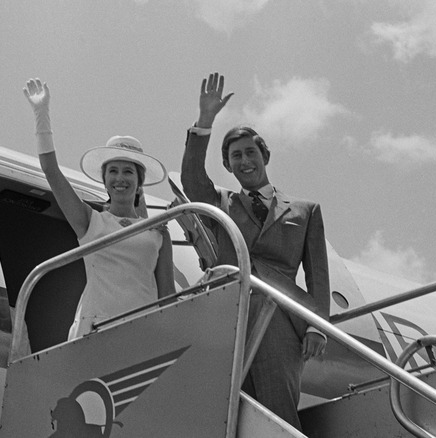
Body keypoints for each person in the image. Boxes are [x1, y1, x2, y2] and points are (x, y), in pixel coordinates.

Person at [180, 72, 330, 430]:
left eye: (250, 152)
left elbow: (318, 275)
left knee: (278, 411)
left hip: (281, 317)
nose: (245, 161)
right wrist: (205, 121)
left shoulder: (305, 210)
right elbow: (190, 179)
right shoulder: (219, 201)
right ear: (227, 165)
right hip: (229, 314)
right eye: (235, 156)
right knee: (227, 415)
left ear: (265, 156)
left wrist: (317, 327)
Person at [23, 77, 175, 340]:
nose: (120, 178)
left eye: (128, 172)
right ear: (104, 180)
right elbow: (51, 171)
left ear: (139, 183)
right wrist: (42, 115)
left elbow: (168, 297)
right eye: (113, 171)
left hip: (142, 335)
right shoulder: (90, 221)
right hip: (94, 334)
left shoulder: (158, 233)